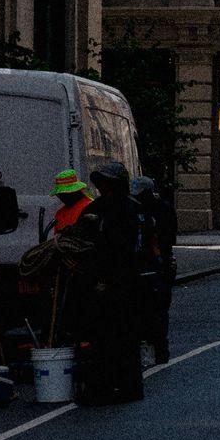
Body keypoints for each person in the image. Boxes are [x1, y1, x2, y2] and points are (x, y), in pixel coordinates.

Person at [78, 163, 145, 405]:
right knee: (102, 337)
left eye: (108, 183)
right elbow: (83, 238)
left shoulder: (129, 210)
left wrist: (106, 277)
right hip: (105, 280)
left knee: (123, 336)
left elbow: (123, 248)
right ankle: (104, 386)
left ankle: (125, 386)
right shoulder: (96, 209)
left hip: (121, 281)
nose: (103, 187)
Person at [132, 176, 177, 365]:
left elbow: (167, 237)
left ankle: (158, 349)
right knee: (154, 309)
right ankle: (155, 349)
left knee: (156, 309)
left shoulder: (156, 209)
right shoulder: (157, 207)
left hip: (158, 263)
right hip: (155, 263)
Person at [49, 169, 93, 233]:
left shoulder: (90, 207)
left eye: (65, 194)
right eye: (60, 194)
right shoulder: (60, 214)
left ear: (76, 192)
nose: (62, 197)